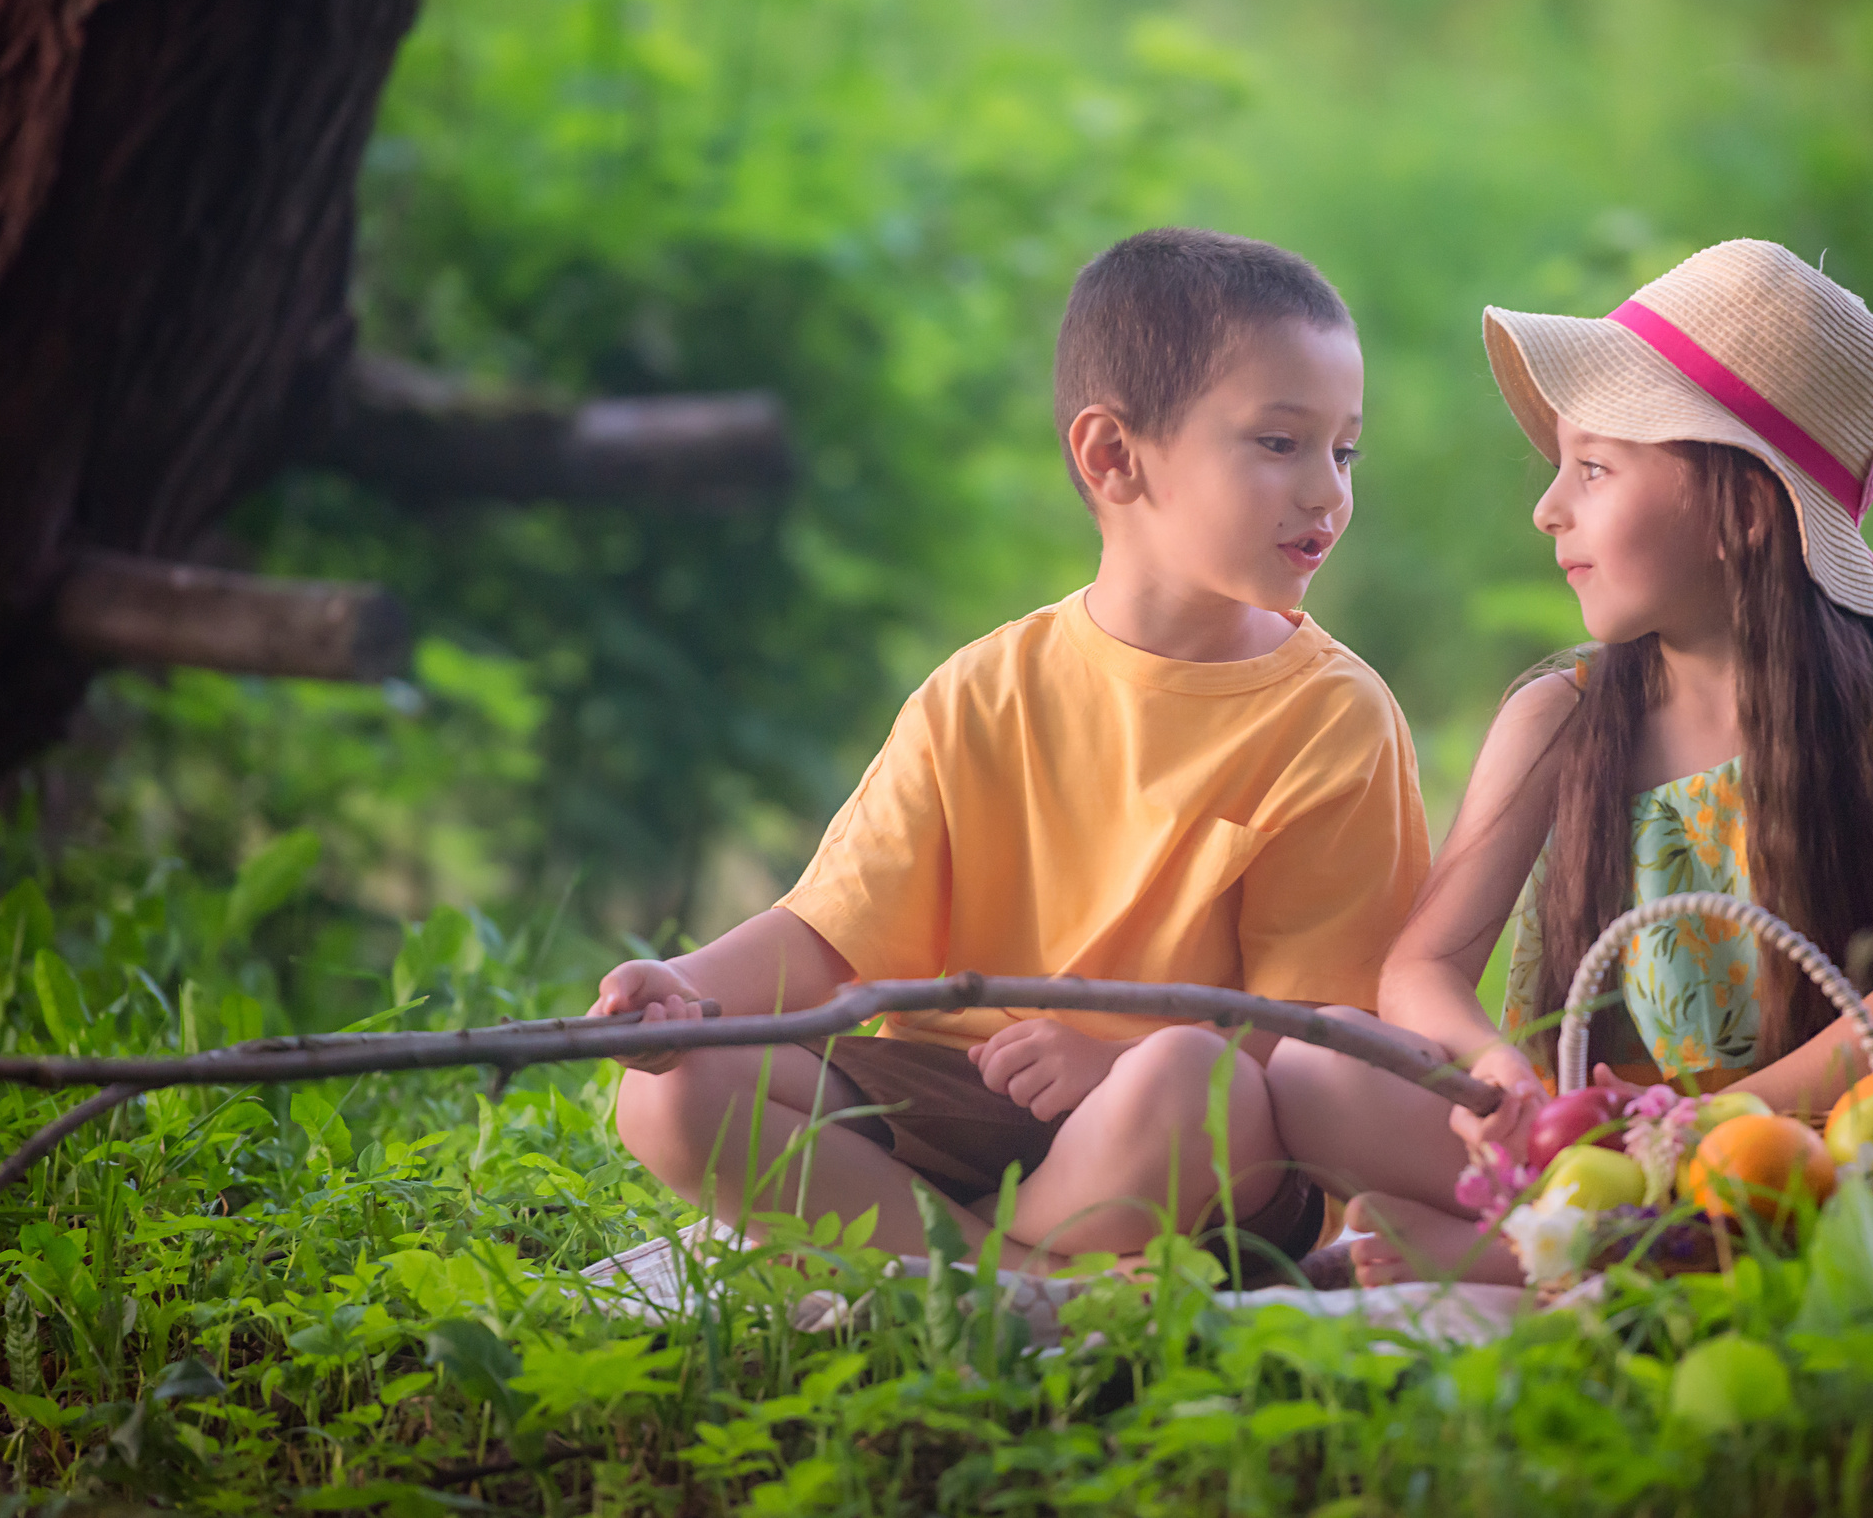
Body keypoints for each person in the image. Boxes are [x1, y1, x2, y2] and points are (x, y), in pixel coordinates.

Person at [591, 228, 1430, 1275]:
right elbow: (822, 938)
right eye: (1278, 443)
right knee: (678, 1091)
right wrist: (680, 989)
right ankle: (1017, 1278)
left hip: (1184, 1145)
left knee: (1182, 1075)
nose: (1326, 491)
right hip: (958, 1106)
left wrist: (1108, 1060)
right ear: (1113, 455)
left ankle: (948, 1268)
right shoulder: (983, 689)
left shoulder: (1332, 715)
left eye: (1342, 450)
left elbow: (1311, 1038)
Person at [1267, 238, 1873, 1287]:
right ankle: (1640, 1246)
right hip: (1594, 1140)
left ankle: (1531, 1255)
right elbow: (1421, 966)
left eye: (1593, 468)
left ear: (1741, 507)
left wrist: (1726, 1118)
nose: (1548, 507)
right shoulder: (1567, 713)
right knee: (1317, 1060)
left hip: (1811, 1130)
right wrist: (1499, 1070)